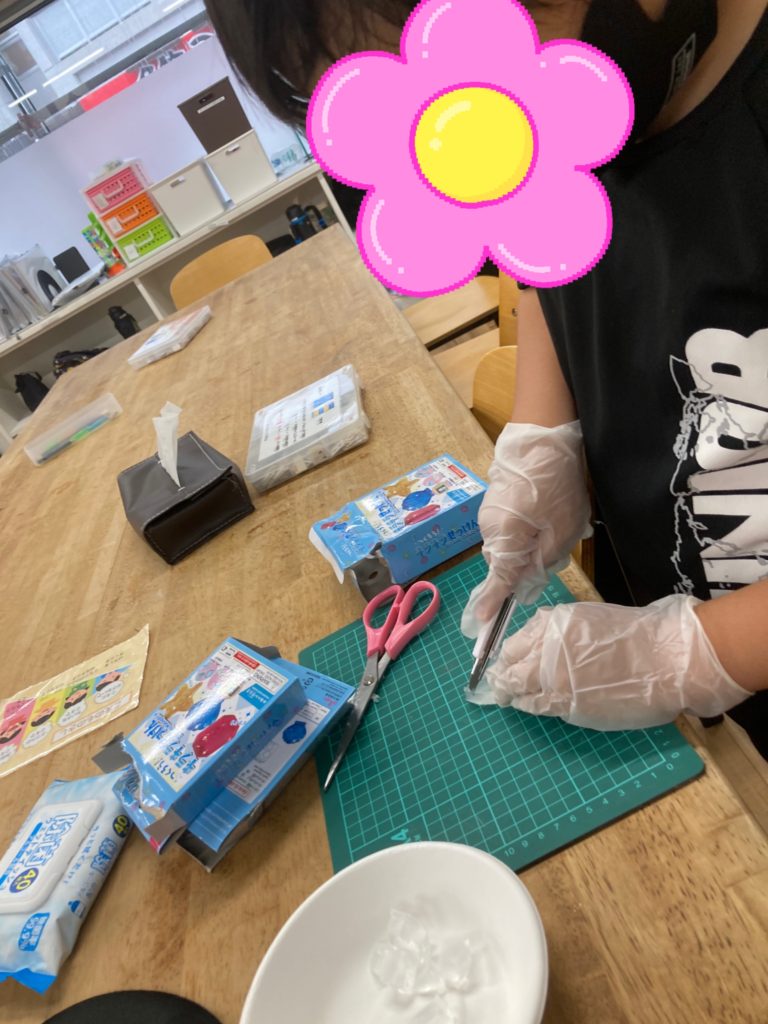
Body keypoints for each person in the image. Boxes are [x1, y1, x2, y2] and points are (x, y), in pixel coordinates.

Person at [206, 0, 768, 756]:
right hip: (694, 660)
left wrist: (692, 656)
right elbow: (548, 269)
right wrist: (542, 433)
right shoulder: (552, 127)